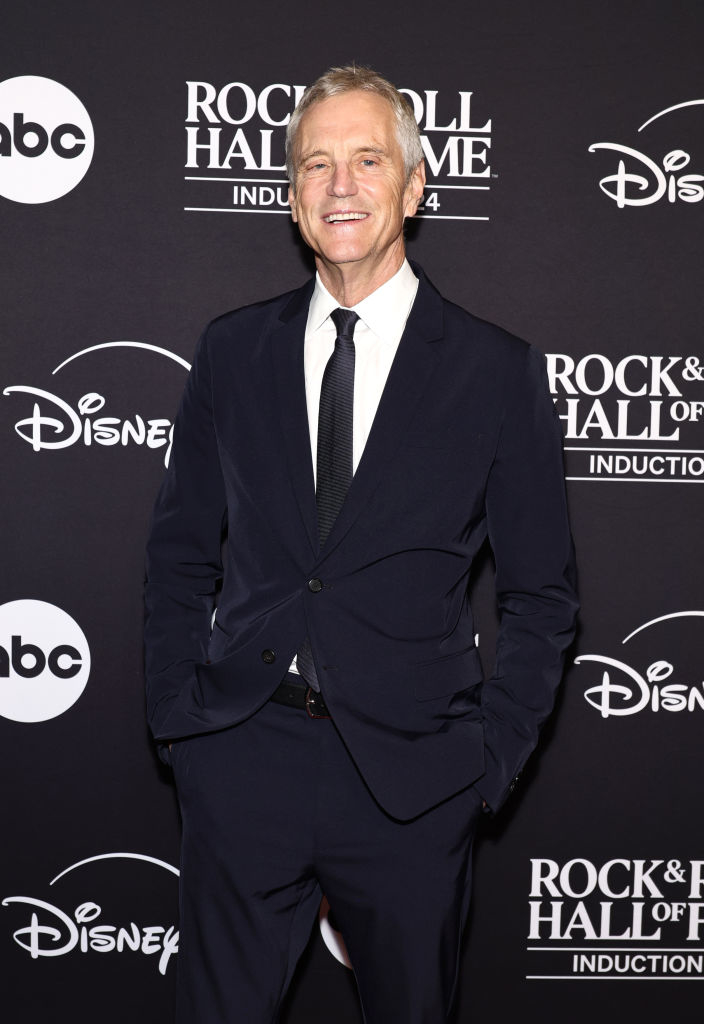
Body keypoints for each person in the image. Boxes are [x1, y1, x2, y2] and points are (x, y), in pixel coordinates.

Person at [144, 65, 578, 1024]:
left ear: (414, 188)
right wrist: (181, 720)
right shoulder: (231, 350)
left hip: (414, 783)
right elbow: (180, 555)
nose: (341, 184)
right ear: (293, 201)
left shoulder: (496, 372)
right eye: (316, 165)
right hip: (240, 756)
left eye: (368, 159)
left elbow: (541, 596)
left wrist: (486, 761)